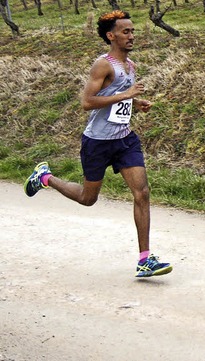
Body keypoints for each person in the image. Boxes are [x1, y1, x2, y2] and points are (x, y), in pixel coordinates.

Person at [23, 10, 172, 278]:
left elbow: (114, 99)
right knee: (87, 199)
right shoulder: (103, 65)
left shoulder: (130, 66)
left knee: (142, 192)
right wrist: (127, 94)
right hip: (98, 142)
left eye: (133, 31)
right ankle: (45, 178)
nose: (131, 35)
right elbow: (87, 102)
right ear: (110, 35)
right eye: (125, 31)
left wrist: (135, 103)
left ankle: (144, 260)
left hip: (125, 140)